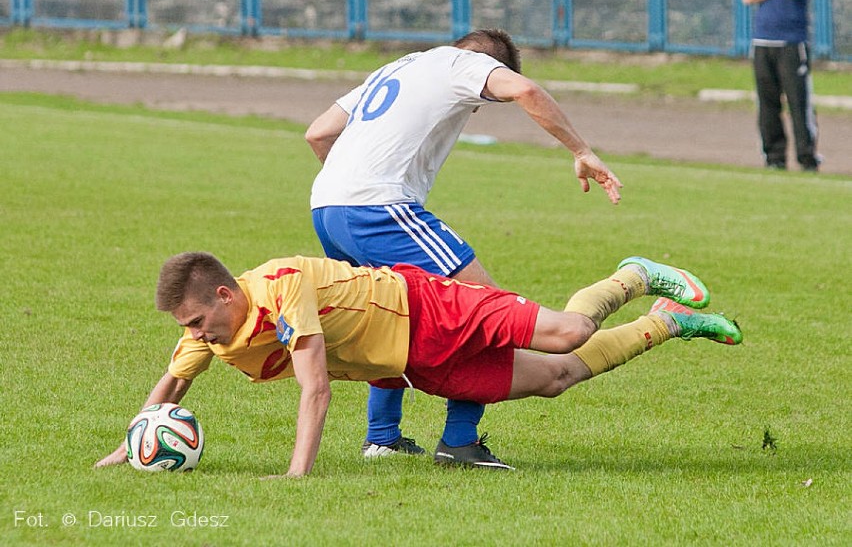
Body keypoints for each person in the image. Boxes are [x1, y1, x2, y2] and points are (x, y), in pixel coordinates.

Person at [95, 252, 742, 477]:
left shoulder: (282, 285)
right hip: (414, 364)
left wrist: (296, 474)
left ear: (224, 296)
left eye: (195, 320)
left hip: (429, 307)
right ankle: (667, 322)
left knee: (568, 332)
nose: (193, 334)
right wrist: (131, 445)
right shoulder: (211, 334)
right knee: (559, 377)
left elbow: (315, 387)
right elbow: (173, 379)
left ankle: (632, 275)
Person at [305, 28, 622, 469]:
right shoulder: (466, 64)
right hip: (380, 208)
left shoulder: (398, 66)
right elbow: (526, 90)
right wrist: (582, 150)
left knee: (385, 317)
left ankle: (382, 438)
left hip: (327, 208)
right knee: (488, 313)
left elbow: (318, 134)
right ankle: (458, 440)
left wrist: (351, 184)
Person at [741, 0, 820, 170]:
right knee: (767, 103)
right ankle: (774, 157)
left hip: (792, 43)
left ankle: (806, 157)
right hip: (763, 42)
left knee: (799, 102)